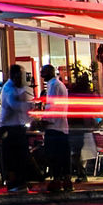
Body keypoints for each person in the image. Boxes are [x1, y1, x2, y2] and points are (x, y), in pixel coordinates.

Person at [0, 63, 37, 192]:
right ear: (15, 76)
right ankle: (14, 182)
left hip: (16, 127)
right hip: (9, 128)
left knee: (20, 155)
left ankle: (20, 181)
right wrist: (28, 104)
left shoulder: (15, 88)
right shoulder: (9, 89)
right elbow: (14, 105)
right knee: (13, 157)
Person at [39, 64, 71, 192]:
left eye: (43, 72)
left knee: (54, 156)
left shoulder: (53, 85)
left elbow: (50, 106)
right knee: (64, 156)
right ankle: (67, 180)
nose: (41, 75)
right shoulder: (60, 85)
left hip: (54, 127)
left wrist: (44, 120)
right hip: (62, 126)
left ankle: (57, 180)